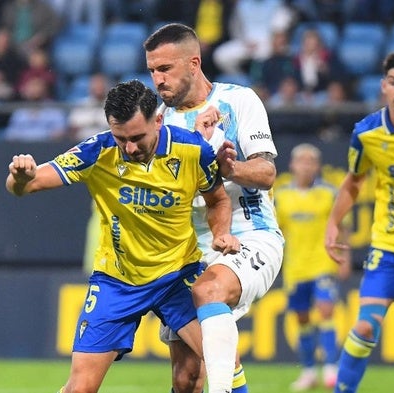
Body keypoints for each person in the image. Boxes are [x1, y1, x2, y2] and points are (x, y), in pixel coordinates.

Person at [5, 80, 240, 393]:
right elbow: (27, 185)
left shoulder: (193, 150)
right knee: (80, 388)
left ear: (158, 120)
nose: (129, 148)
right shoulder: (97, 151)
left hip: (178, 277)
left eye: (137, 138)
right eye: (121, 139)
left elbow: (218, 199)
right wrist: (20, 177)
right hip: (117, 281)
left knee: (209, 369)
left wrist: (221, 232)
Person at [144, 23, 284, 393]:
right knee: (186, 379)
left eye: (165, 69)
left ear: (193, 63)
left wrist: (228, 168)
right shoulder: (157, 124)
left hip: (249, 234)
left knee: (208, 291)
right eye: (152, 71)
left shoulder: (239, 101)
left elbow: (267, 172)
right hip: (190, 251)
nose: (157, 80)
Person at [324, 51, 394, 393]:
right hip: (390, 246)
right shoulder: (367, 133)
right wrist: (333, 224)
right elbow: (353, 182)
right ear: (384, 87)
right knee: (366, 326)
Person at [274, 143, 351, 391]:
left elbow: (343, 226)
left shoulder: (329, 193)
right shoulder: (282, 196)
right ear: (293, 165)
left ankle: (331, 368)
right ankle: (308, 371)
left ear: (317, 166)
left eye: (310, 162)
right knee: (302, 318)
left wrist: (345, 259)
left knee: (326, 309)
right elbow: (276, 232)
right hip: (296, 268)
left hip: (323, 264)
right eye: (301, 161)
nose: (306, 166)